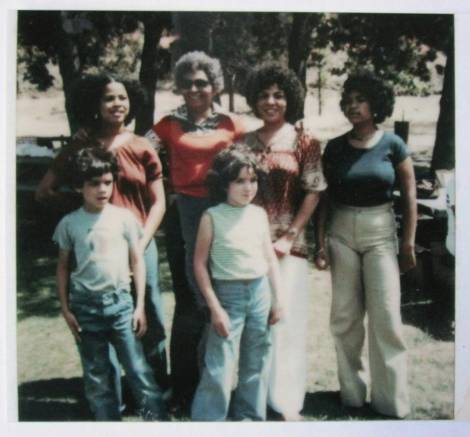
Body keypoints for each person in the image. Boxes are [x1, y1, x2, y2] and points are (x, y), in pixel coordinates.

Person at [36, 73, 169, 399]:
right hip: (95, 248)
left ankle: (155, 390)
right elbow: (44, 191)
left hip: (140, 243)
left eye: (123, 97)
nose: (117, 104)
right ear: (94, 104)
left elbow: (159, 202)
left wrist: (140, 242)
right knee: (98, 316)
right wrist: (80, 213)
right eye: (109, 98)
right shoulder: (80, 147)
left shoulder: (142, 147)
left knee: (149, 311)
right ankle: (111, 394)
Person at [315, 71, 417, 418]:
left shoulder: (394, 145)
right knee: (345, 317)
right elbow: (324, 198)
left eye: (360, 100)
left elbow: (410, 196)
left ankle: (390, 402)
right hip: (341, 232)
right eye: (348, 100)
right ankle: (352, 395)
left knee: (385, 317)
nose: (352, 106)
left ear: (377, 104)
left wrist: (408, 243)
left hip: (380, 233)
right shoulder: (335, 147)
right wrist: (320, 241)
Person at [147, 51, 245, 412]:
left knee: (222, 296)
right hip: (184, 216)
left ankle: (217, 384)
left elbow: (254, 158)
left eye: (201, 82)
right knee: (190, 301)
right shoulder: (169, 124)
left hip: (224, 216)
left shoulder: (231, 124)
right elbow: (139, 151)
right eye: (187, 83)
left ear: (215, 85)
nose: (194, 89)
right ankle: (184, 388)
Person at [53, 147, 166, 421]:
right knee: (97, 375)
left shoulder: (124, 218)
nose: (102, 189)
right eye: (94, 183)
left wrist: (139, 306)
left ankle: (156, 421)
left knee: (138, 369)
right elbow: (63, 267)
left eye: (107, 182)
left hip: (121, 305)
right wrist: (66, 309)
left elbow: (137, 261)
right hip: (85, 309)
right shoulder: (69, 224)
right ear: (79, 186)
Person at [243, 63, 327, 420]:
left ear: (289, 99)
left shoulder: (303, 140)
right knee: (256, 324)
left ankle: (286, 401)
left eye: (278, 95)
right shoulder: (244, 142)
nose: (271, 101)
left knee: (287, 322)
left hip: (288, 246)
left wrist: (290, 235)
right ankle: (256, 398)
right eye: (263, 95)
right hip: (249, 246)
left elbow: (314, 191)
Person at [191, 145, 283, 421]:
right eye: (240, 181)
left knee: (256, 361)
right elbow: (199, 264)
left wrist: (278, 299)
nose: (248, 187)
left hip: (259, 293)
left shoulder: (258, 214)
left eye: (253, 180)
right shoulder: (212, 217)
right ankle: (209, 421)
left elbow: (270, 259)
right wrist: (215, 308)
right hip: (227, 295)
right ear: (223, 184)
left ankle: (249, 418)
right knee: (219, 366)